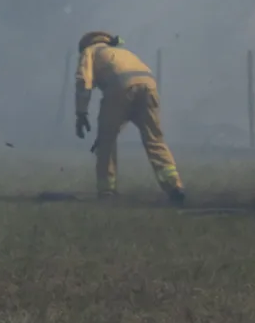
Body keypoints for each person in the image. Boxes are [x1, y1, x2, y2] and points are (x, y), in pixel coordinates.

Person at [75, 31, 185, 206]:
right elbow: (133, 91)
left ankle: (107, 191)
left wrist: (81, 113)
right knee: (154, 139)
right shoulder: (122, 52)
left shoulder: (90, 52)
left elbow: (83, 82)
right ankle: (174, 186)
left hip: (120, 88)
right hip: (149, 86)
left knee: (106, 142)